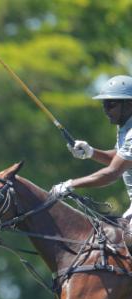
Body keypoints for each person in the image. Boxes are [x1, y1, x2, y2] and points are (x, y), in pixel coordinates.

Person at [50, 75, 132, 221]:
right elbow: (120, 158)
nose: (106, 110)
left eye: (111, 104)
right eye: (104, 104)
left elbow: (113, 172)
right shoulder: (125, 126)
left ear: (129, 105)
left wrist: (70, 185)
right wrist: (91, 152)